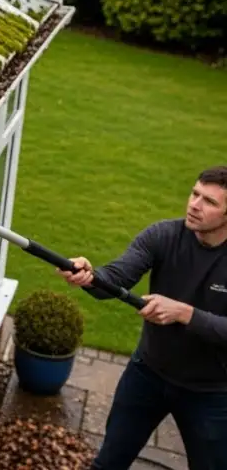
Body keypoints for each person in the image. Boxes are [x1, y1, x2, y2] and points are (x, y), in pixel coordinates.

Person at [59, 165, 227, 470]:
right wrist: (90, 276)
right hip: (147, 374)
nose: (194, 205)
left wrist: (185, 313)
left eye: (210, 202)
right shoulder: (164, 235)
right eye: (195, 194)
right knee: (108, 463)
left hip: (210, 394)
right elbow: (116, 276)